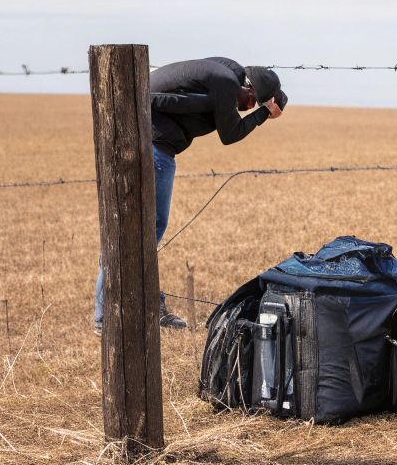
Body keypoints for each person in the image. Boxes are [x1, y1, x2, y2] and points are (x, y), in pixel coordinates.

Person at [93, 57, 286, 332]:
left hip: (145, 139)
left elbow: (180, 102)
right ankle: (111, 315)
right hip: (155, 148)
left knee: (136, 230)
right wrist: (264, 113)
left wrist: (263, 106)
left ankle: (143, 305)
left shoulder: (221, 72)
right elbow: (230, 134)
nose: (249, 107)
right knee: (145, 230)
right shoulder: (226, 83)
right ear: (249, 88)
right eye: (253, 101)